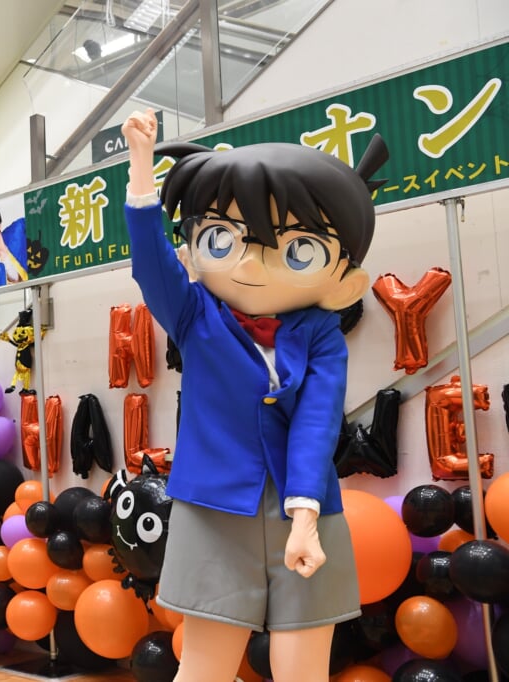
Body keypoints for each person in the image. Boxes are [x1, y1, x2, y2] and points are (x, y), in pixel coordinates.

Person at [121, 108, 387, 682]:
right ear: (193, 250)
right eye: (223, 237)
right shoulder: (193, 314)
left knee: (302, 669)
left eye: (298, 248)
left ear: (345, 279)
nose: (250, 261)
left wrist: (305, 514)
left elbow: (318, 420)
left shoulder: (321, 333)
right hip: (213, 509)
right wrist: (141, 165)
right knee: (206, 667)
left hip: (306, 508)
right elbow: (149, 264)